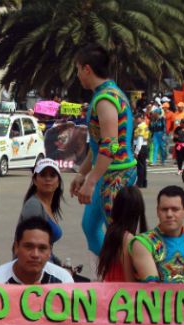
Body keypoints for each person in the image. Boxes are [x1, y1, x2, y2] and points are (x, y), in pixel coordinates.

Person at [69, 44, 137, 258]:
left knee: (118, 234)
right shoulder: (106, 95)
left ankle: (125, 278)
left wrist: (91, 180)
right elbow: (98, 145)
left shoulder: (106, 99)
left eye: (78, 69)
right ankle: (109, 270)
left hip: (117, 173)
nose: (77, 74)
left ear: (87, 69)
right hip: (108, 172)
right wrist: (83, 172)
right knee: (90, 226)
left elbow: (110, 145)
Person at [130, 185, 184, 283]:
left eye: (175, 209)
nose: (169, 214)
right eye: (164, 209)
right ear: (157, 212)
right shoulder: (143, 243)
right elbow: (152, 289)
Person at [0, 217, 73, 284]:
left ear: (50, 251)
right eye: (28, 247)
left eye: (42, 248)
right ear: (16, 247)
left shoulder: (63, 281)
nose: (35, 254)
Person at [97, 186, 147, 282]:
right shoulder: (128, 238)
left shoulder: (112, 231)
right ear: (138, 210)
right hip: (121, 291)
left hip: (109, 286)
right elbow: (128, 279)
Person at [18, 158, 64, 261]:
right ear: (35, 180)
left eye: (52, 175)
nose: (48, 179)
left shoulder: (49, 205)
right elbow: (30, 246)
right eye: (43, 175)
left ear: (58, 182)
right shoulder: (34, 206)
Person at [133, 113, 149, 188]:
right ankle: (144, 182)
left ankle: (139, 183)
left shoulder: (141, 127)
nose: (135, 120)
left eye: (137, 118)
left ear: (141, 118)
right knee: (143, 166)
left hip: (140, 147)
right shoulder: (144, 125)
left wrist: (136, 151)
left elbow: (140, 140)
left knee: (140, 167)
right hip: (144, 147)